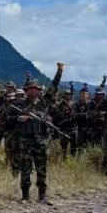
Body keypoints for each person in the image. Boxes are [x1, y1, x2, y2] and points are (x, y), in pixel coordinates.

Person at [11, 69, 61, 204]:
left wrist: (59, 72)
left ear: (39, 90)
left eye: (35, 89)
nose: (33, 91)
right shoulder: (20, 104)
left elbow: (53, 87)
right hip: (25, 141)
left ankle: (42, 195)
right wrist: (19, 118)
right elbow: (8, 118)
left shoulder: (43, 102)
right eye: (30, 89)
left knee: (41, 168)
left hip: (41, 140)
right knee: (25, 168)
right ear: (26, 90)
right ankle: (25, 196)